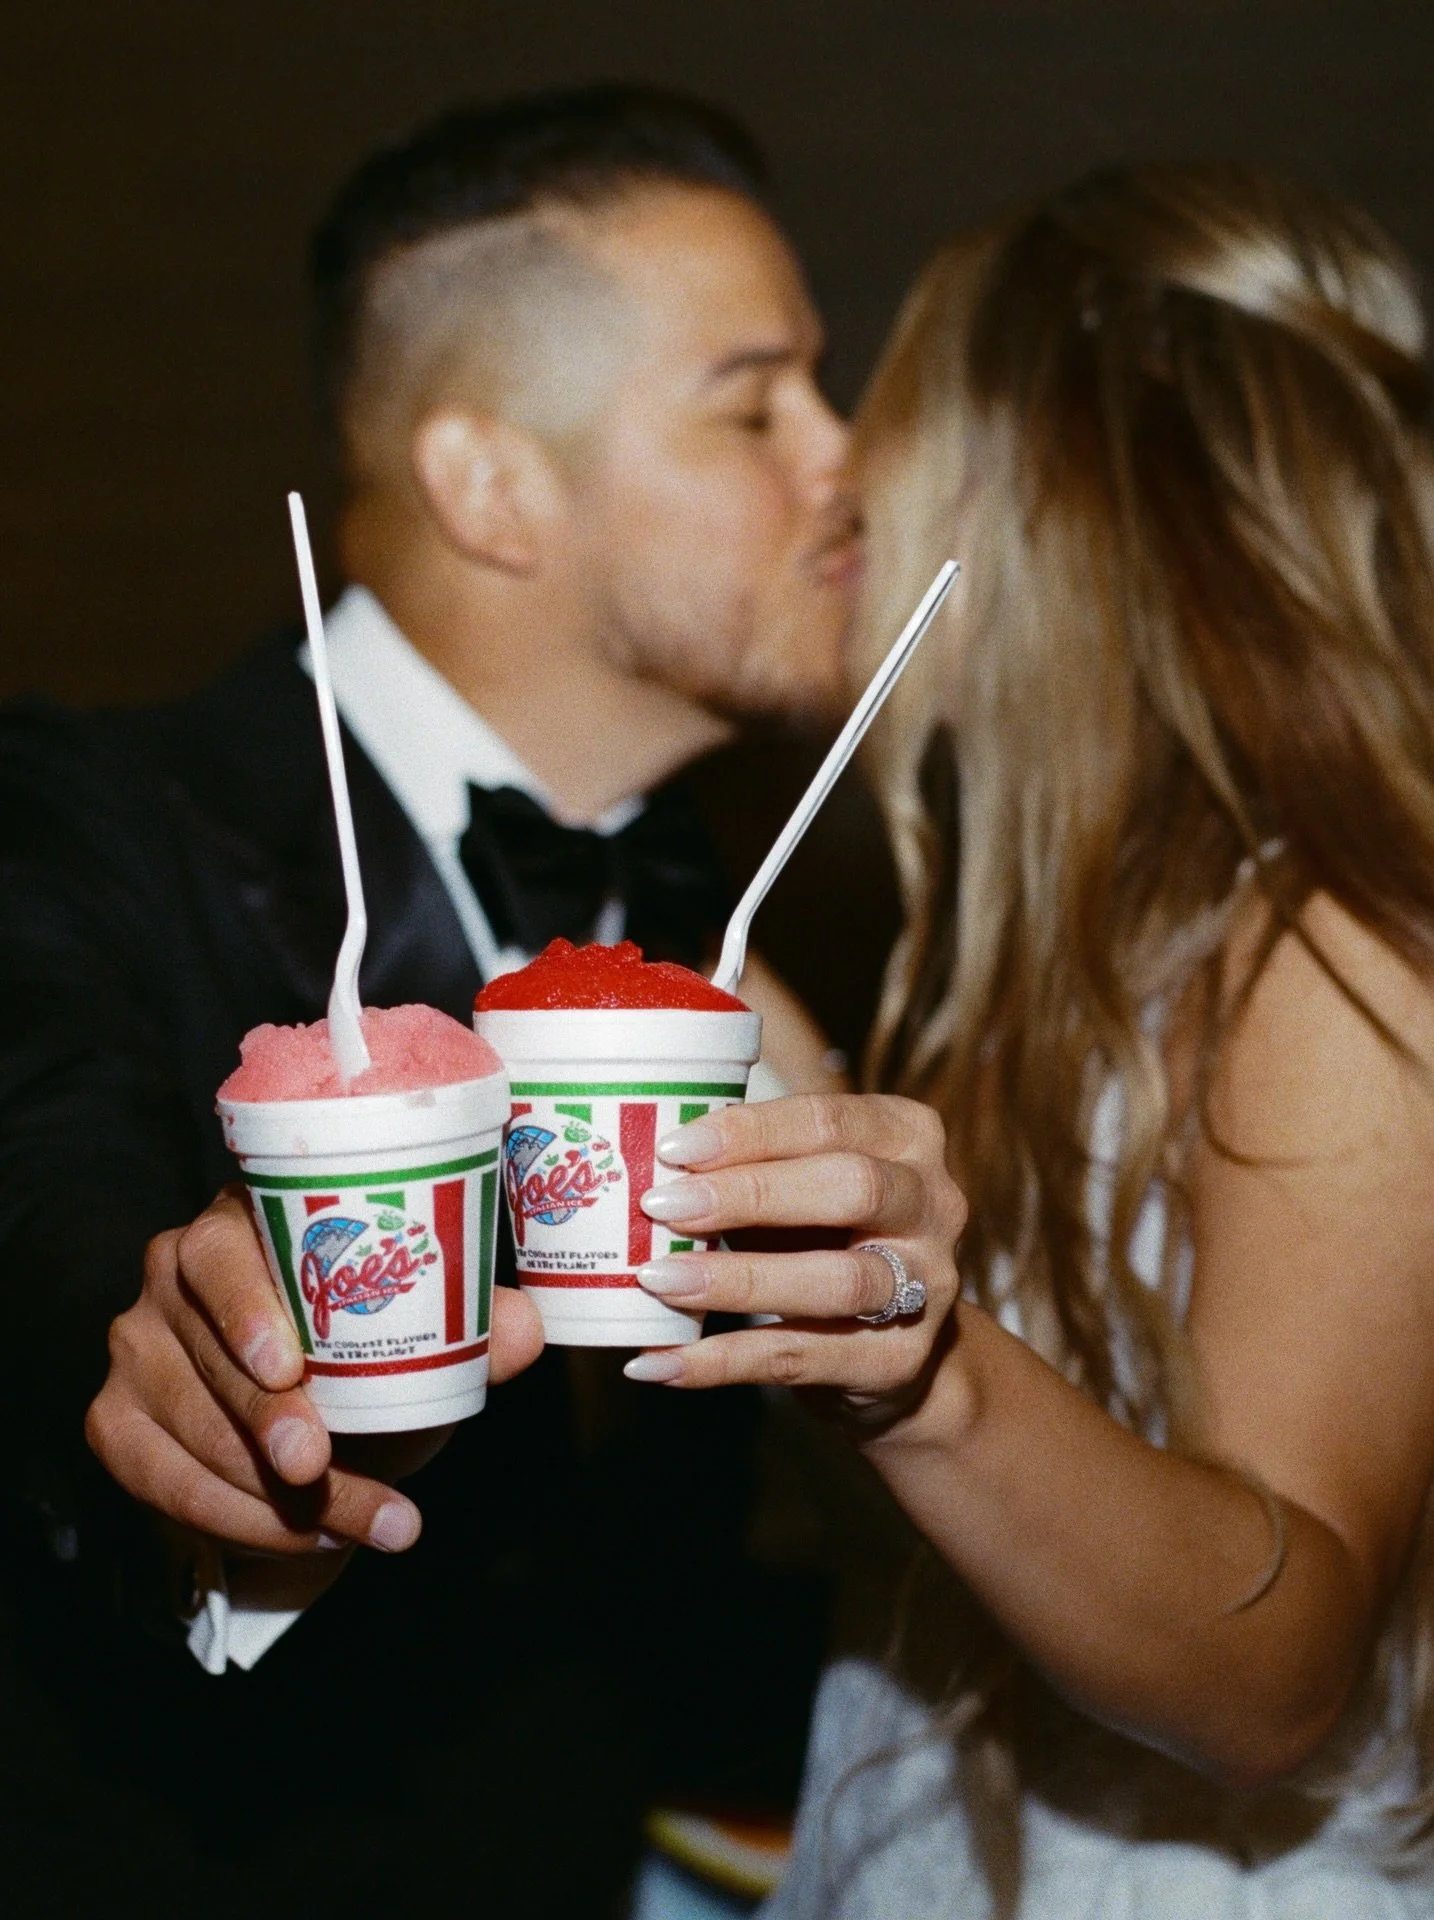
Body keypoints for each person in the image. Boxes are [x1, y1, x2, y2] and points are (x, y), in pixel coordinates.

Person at [0, 85, 857, 1917]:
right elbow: (47, 1204)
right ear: (488, 484)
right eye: (757, 399)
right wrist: (175, 1378)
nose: (842, 457)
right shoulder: (80, 816)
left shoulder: (720, 919)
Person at [616, 164, 1434, 1915]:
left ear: (1041, 500)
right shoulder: (1059, 958)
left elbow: (1276, 1669)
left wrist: (926, 1357)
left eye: (882, 431)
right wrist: (811, 1157)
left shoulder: (1340, 945)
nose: (836, 482)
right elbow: (1006, 1552)